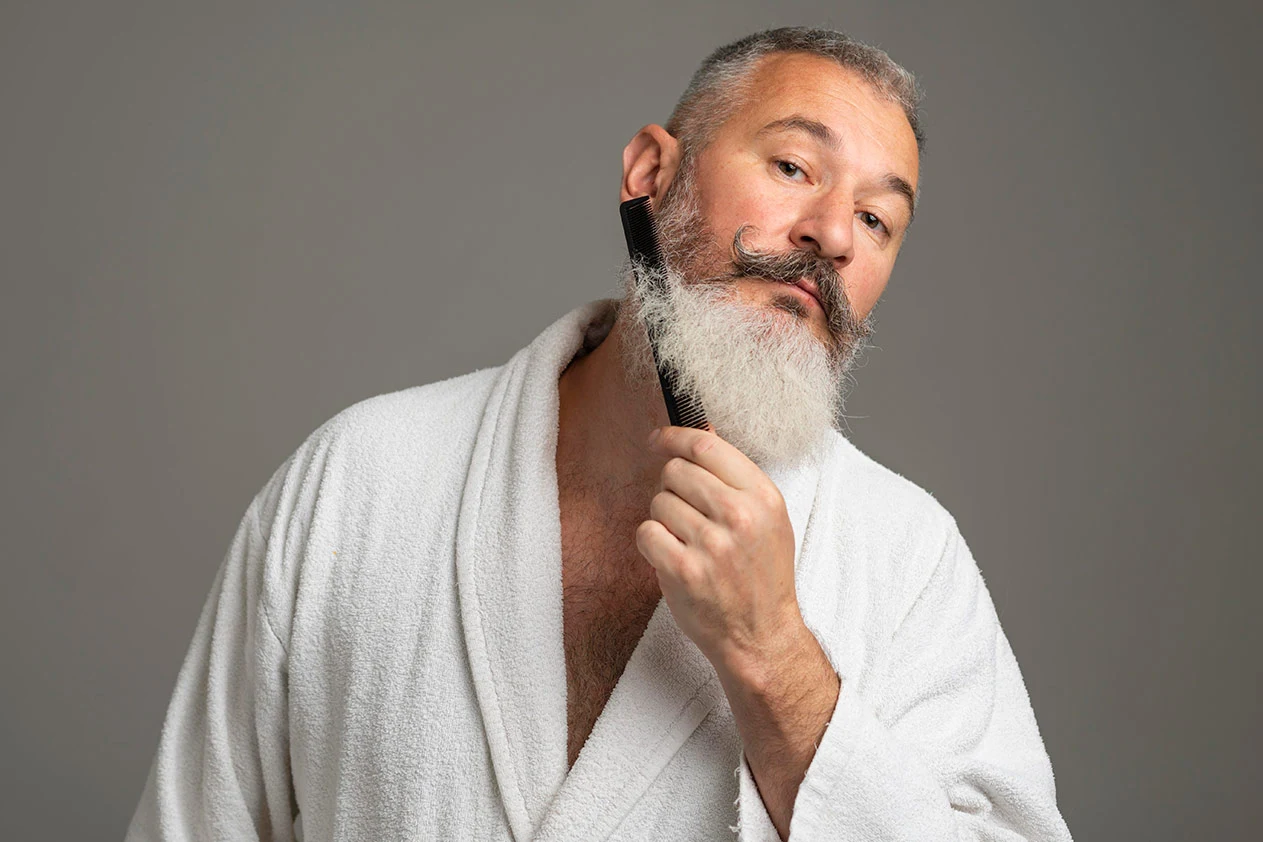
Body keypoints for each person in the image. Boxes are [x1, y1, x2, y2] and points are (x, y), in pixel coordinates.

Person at [126, 26, 1073, 842]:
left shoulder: (904, 558)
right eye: (793, 167)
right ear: (650, 175)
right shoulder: (360, 479)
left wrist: (774, 656)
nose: (832, 234)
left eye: (877, 219)